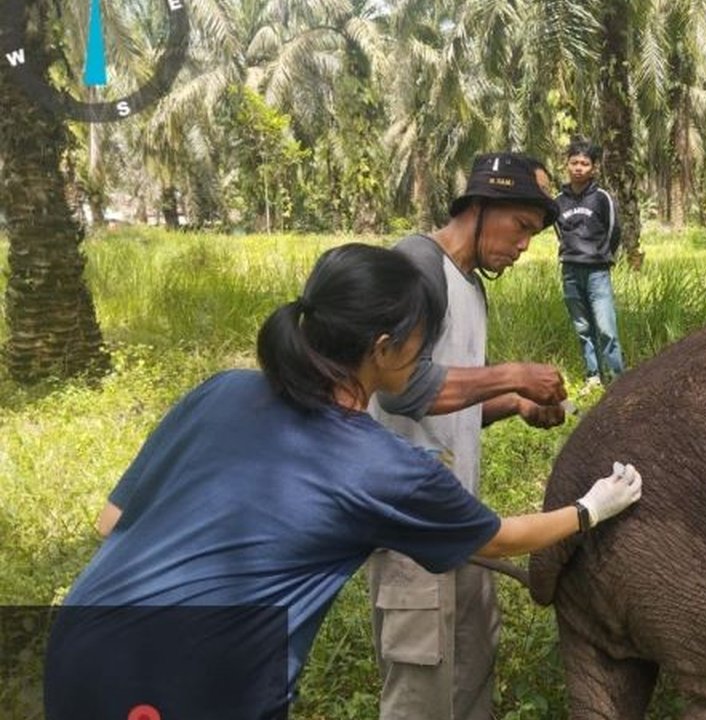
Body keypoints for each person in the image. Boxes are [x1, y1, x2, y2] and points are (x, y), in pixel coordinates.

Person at [47, 243, 642, 719]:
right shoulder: (382, 466)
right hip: (194, 680)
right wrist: (594, 507)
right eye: (422, 341)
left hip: (79, 640)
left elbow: (112, 522)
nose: (425, 355)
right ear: (385, 349)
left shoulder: (221, 390)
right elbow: (502, 538)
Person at [366, 152, 568, 720]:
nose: (525, 245)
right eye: (521, 227)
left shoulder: (471, 288)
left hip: (459, 516)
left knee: (473, 668)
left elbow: (446, 406)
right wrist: (513, 374)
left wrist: (515, 404)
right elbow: (399, 390)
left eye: (533, 234)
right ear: (479, 207)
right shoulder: (415, 264)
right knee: (419, 690)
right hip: (409, 527)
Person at [554, 139, 625, 386]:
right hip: (570, 271)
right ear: (567, 164)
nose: (578, 168)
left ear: (593, 168)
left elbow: (614, 230)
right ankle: (593, 376)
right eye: (574, 162)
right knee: (583, 328)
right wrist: (571, 254)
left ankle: (617, 380)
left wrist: (601, 255)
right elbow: (559, 232)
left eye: (585, 163)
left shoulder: (602, 198)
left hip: (597, 272)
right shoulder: (558, 201)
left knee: (606, 328)